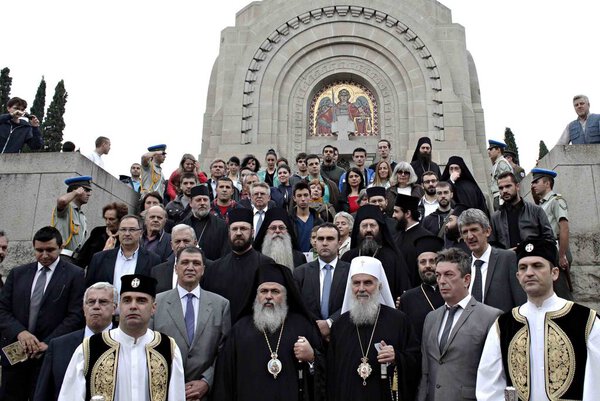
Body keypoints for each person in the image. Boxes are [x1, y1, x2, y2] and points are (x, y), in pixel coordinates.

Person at [476, 238, 600, 401]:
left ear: (554, 273)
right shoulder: (503, 324)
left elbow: (596, 382)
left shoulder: (586, 320)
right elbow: (489, 387)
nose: (529, 273)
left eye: (537, 265)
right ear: (518, 276)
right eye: (523, 267)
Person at [58, 274, 185, 400]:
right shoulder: (90, 348)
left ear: (153, 308)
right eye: (127, 300)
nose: (133, 306)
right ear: (119, 306)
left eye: (141, 300)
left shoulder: (167, 348)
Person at [212, 261, 323, 401]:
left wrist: (312, 358)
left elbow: (326, 375)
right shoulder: (239, 330)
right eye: (264, 291)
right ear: (256, 295)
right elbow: (224, 379)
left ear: (286, 295)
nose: (268, 296)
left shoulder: (302, 325)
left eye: (275, 291)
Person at [0, 226, 85, 401]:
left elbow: (75, 315)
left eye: (50, 250)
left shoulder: (74, 275)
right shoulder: (18, 273)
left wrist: (48, 344)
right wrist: (20, 333)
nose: (44, 255)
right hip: (17, 353)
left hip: (49, 355)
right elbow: (2, 309)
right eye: (39, 250)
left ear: (61, 248)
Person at [328, 256, 420, 401]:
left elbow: (416, 360)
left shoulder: (398, 321)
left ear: (379, 286)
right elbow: (331, 373)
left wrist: (397, 357)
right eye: (356, 283)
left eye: (368, 283)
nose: (361, 289)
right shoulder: (340, 325)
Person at [418, 248, 501, 401]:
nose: (441, 281)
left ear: (466, 280)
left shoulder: (490, 317)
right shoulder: (431, 318)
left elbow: (495, 374)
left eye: (448, 275)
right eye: (438, 275)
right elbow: (426, 370)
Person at [152, 247, 230, 401]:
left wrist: (206, 381)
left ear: (203, 269)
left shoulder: (220, 305)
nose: (190, 267)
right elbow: (148, 346)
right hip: (163, 391)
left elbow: (224, 353)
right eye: (185, 262)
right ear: (176, 268)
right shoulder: (156, 303)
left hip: (203, 394)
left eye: (196, 263)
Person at [33, 282, 117, 401]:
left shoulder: (124, 344)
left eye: (103, 302)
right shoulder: (58, 346)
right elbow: (43, 394)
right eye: (91, 302)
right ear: (84, 309)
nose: (96, 306)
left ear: (114, 308)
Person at [202, 208, 274, 324]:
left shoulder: (266, 264)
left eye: (244, 229)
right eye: (234, 229)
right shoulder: (215, 268)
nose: (239, 233)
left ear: (253, 232)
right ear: (229, 233)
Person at [458, 208, 526, 313]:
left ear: (488, 231)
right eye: (465, 232)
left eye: (474, 230)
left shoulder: (508, 258)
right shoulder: (463, 266)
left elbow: (521, 302)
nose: (470, 236)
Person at [294, 223, 351, 341]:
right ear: (315, 242)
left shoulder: (351, 271)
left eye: (330, 239)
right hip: (310, 336)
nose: (324, 243)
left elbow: (352, 301)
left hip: (343, 335)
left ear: (339, 243)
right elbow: (297, 304)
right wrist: (317, 325)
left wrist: (330, 322)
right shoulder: (300, 272)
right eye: (320, 239)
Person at [340, 204, 411, 298]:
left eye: (372, 225)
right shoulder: (348, 257)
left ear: (380, 228)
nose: (368, 229)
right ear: (358, 229)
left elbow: (404, 291)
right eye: (364, 226)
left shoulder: (393, 257)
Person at [85, 215, 161, 292]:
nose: (127, 233)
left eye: (132, 230)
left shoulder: (153, 260)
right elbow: (88, 289)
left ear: (141, 233)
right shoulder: (99, 258)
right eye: (123, 229)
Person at [530, 168, 573, 299]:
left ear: (547, 183)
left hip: (557, 248)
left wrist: (562, 255)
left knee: (562, 293)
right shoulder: (542, 204)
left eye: (536, 182)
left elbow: (564, 228)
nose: (533, 185)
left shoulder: (556, 201)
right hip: (548, 249)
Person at [490, 172, 555, 249]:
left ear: (517, 186)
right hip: (509, 260)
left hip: (533, 258)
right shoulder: (495, 218)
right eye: (501, 188)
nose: (504, 191)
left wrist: (533, 250)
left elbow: (549, 239)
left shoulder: (536, 211)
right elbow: (491, 246)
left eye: (508, 186)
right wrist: (506, 254)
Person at [398, 236, 445, 341]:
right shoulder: (407, 298)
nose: (427, 266)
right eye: (423, 262)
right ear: (418, 265)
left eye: (432, 261)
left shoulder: (453, 292)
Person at [181, 185, 230, 261]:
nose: (202, 203)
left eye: (205, 200)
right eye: (198, 200)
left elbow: (225, 255)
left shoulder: (222, 226)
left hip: (214, 270)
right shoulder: (182, 226)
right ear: (190, 203)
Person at [393, 194, 433, 287]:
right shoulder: (397, 236)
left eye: (396, 212)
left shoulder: (426, 238)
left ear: (407, 213)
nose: (393, 215)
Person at [51, 176, 93, 263]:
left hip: (76, 260)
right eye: (86, 190)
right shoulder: (66, 209)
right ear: (76, 190)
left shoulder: (82, 215)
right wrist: (75, 192)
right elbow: (62, 200)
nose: (89, 194)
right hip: (63, 257)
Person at [75, 201, 128, 268]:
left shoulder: (126, 236)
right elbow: (82, 257)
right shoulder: (98, 232)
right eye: (106, 219)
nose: (107, 222)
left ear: (121, 219)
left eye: (112, 219)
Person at [151, 224, 198, 294]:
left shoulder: (209, 268)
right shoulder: (157, 271)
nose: (182, 245)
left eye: (186, 241)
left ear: (195, 243)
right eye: (177, 241)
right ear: (171, 245)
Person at [291, 182, 324, 252]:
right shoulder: (288, 221)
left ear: (310, 196)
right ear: (294, 198)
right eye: (299, 196)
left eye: (305, 195)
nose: (303, 199)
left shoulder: (319, 221)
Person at [487, 139, 513, 211]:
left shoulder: (502, 163)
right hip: (498, 197)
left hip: (502, 198)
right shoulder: (497, 163)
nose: (489, 151)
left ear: (498, 150)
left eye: (491, 149)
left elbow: (506, 183)